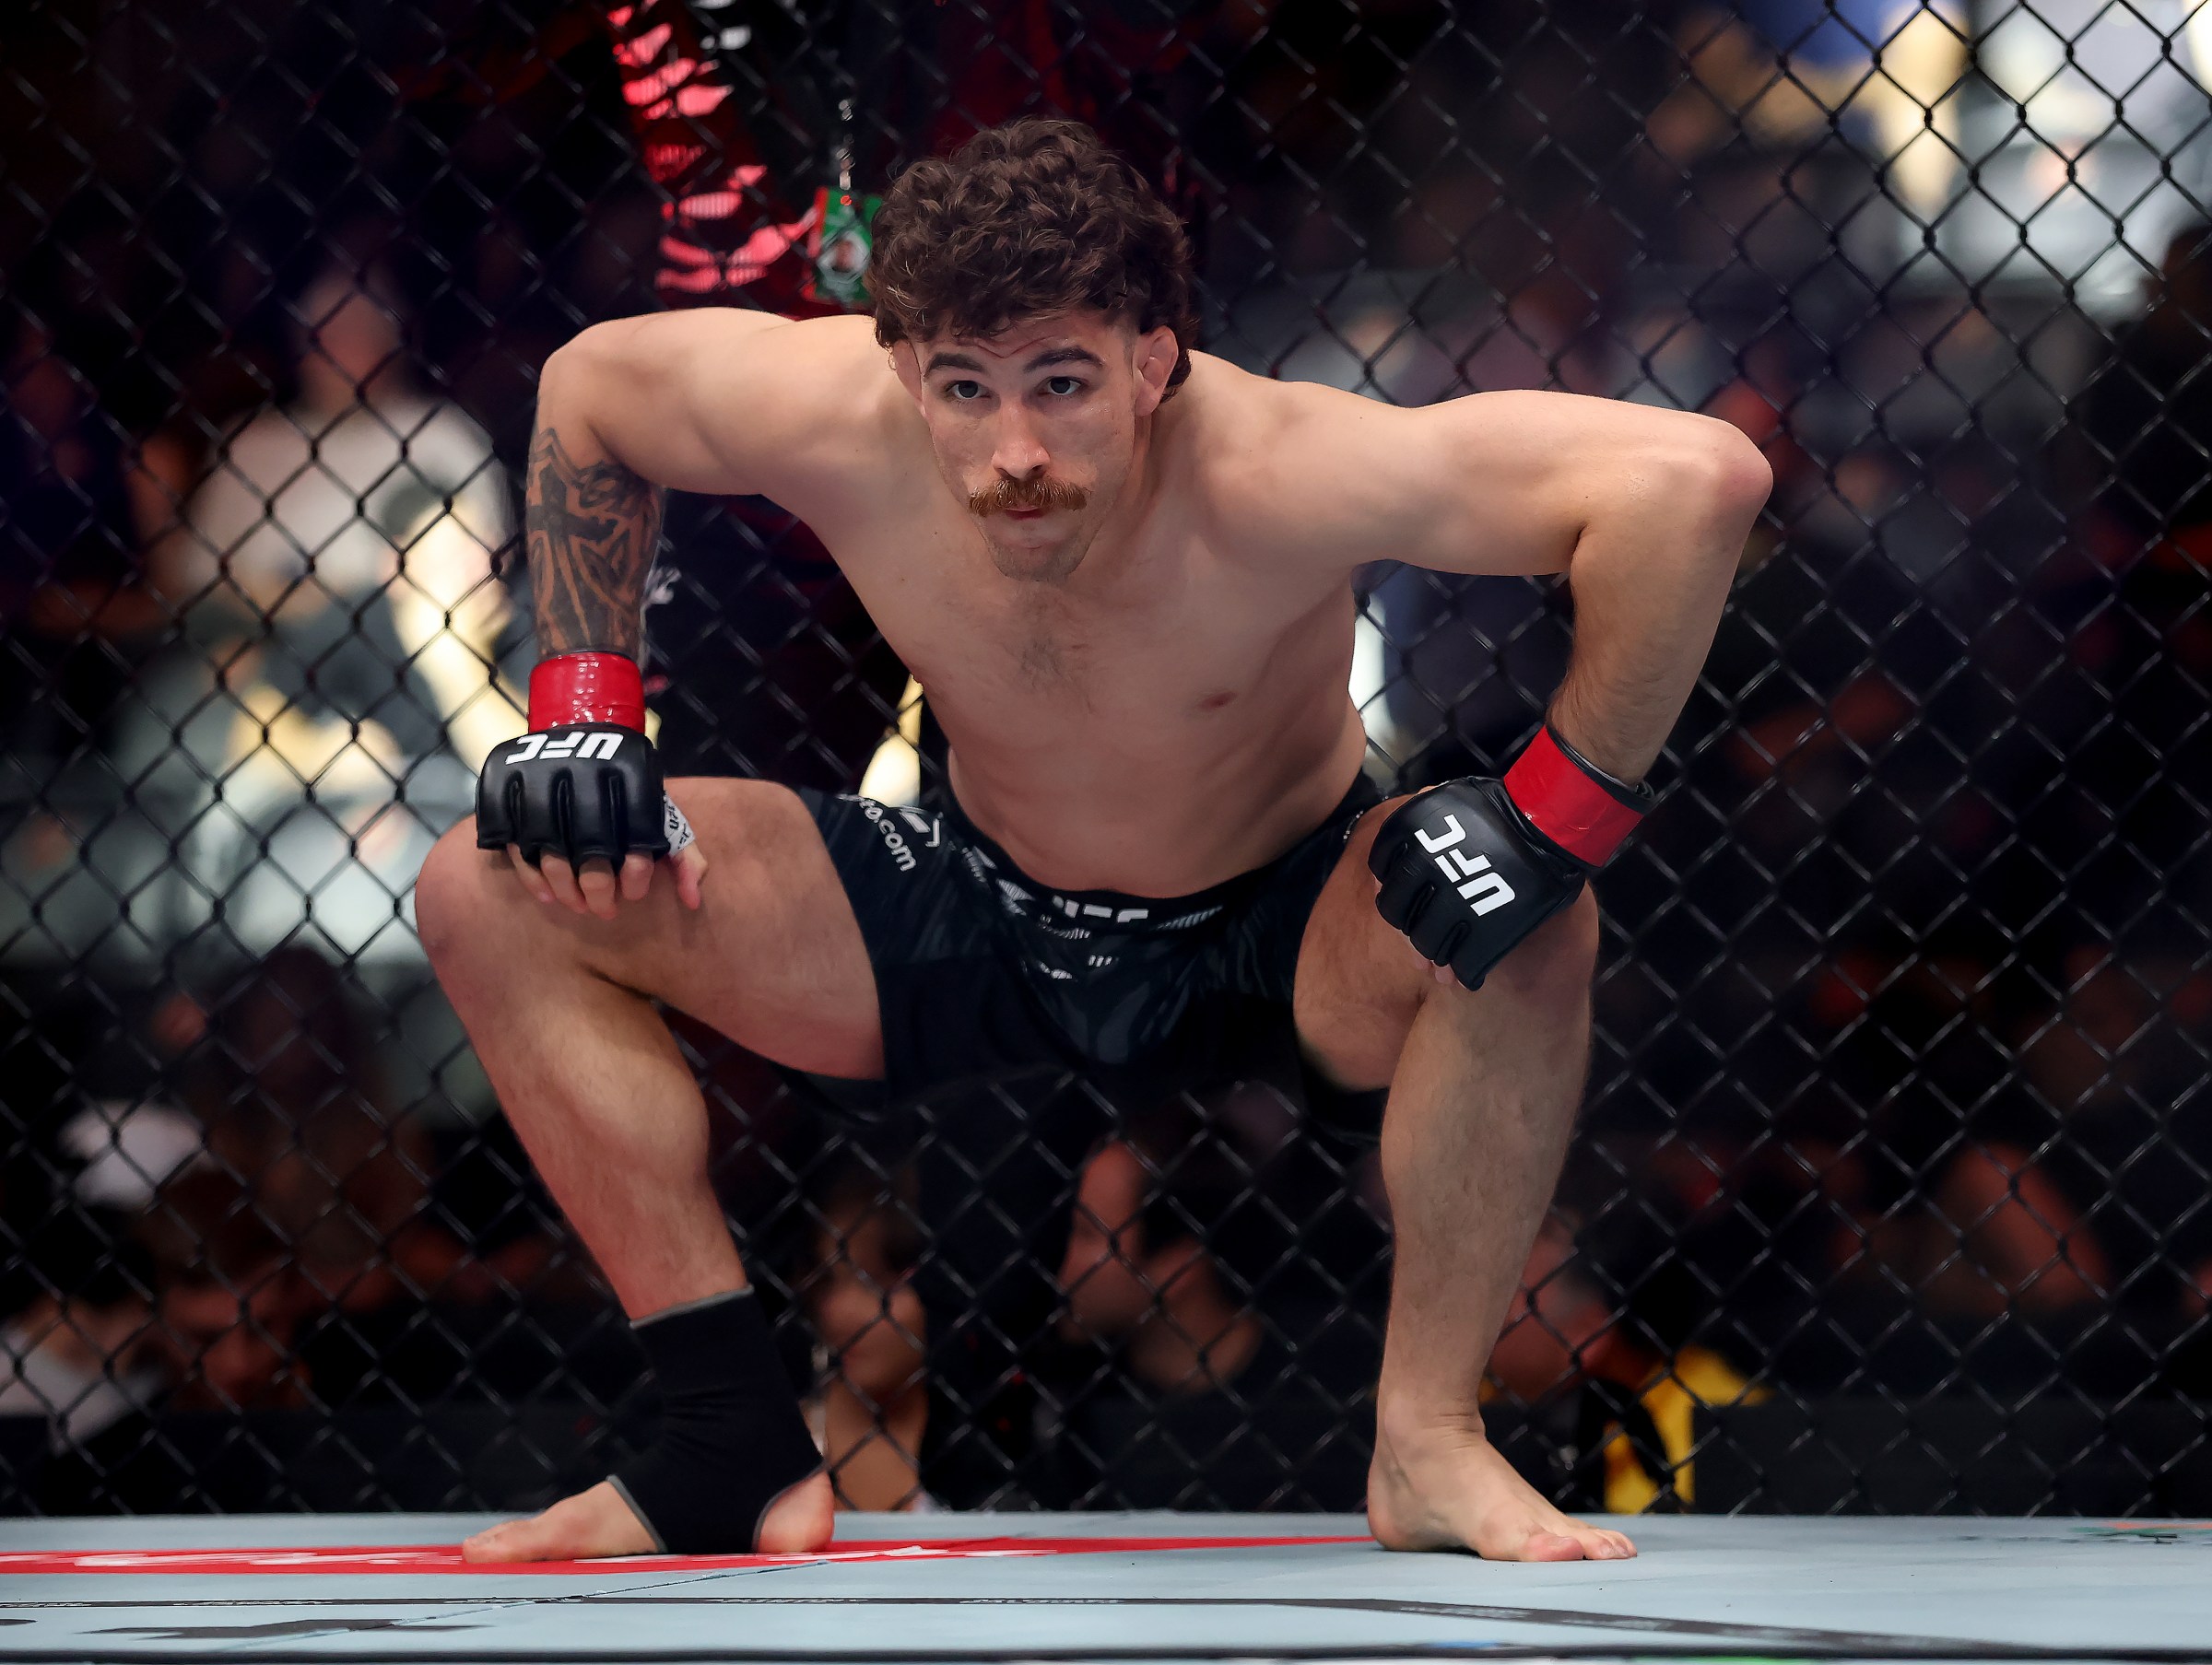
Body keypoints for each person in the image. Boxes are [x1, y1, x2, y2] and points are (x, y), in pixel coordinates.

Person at [416, 118, 1770, 1564]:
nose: (1016, 453)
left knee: (1531, 911)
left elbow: (1692, 484)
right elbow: (594, 389)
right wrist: (583, 713)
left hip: (1276, 929)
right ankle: (724, 1446)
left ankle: (1428, 1441)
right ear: (905, 371)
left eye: (1061, 383)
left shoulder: (1283, 465)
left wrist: (1552, 816)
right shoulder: (839, 413)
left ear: (1152, 362)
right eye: (967, 388)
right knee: (487, 886)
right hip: (977, 900)